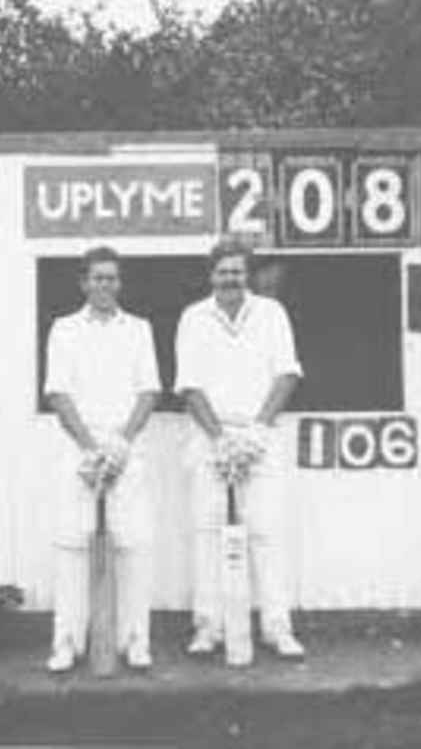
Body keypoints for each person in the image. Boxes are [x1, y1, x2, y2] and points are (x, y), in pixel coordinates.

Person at [175, 240, 305, 659]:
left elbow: (287, 375)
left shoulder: (271, 314)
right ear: (210, 275)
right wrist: (220, 439)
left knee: (265, 531)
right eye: (222, 271)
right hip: (209, 436)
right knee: (207, 532)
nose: (230, 278)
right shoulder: (193, 318)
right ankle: (208, 628)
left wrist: (255, 433)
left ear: (246, 273)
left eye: (237, 270)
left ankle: (276, 627)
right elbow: (189, 385)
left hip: (259, 435)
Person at [44, 245, 161, 672]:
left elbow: (149, 391)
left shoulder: (139, 329)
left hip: (126, 447)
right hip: (78, 446)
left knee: (134, 544)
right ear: (84, 282)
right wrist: (91, 448)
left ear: (120, 283)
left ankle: (135, 641)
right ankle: (67, 643)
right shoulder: (63, 329)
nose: (105, 285)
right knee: (72, 544)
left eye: (112, 277)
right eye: (97, 277)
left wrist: (120, 446)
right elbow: (58, 393)